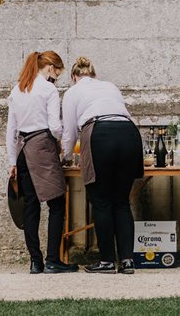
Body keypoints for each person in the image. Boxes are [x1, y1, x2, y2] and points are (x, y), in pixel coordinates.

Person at [61, 57, 144, 274]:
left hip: (99, 134)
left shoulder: (72, 92)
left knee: (101, 201)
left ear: (73, 77)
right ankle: (127, 260)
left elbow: (69, 133)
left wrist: (66, 157)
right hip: (129, 133)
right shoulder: (110, 86)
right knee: (121, 202)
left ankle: (107, 260)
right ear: (94, 74)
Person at [5, 51, 77, 274]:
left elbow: (11, 131)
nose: (55, 77)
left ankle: (35, 262)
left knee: (31, 207)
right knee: (56, 205)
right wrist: (63, 141)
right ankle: (53, 260)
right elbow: (55, 126)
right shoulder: (48, 90)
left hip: (22, 151)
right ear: (50, 68)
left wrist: (12, 161)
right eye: (57, 73)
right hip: (42, 147)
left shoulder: (17, 90)